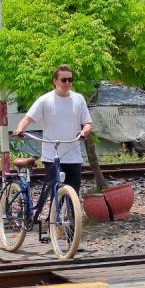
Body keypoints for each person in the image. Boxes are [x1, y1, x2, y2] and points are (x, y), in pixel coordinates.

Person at [14, 65, 92, 195]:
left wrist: (84, 132)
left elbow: (88, 123)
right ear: (55, 81)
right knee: (55, 193)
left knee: (73, 194)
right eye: (63, 80)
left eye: (70, 80)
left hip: (74, 157)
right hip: (51, 156)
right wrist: (19, 129)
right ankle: (53, 215)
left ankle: (72, 215)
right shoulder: (45, 100)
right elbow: (28, 118)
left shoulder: (78, 99)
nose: (67, 83)